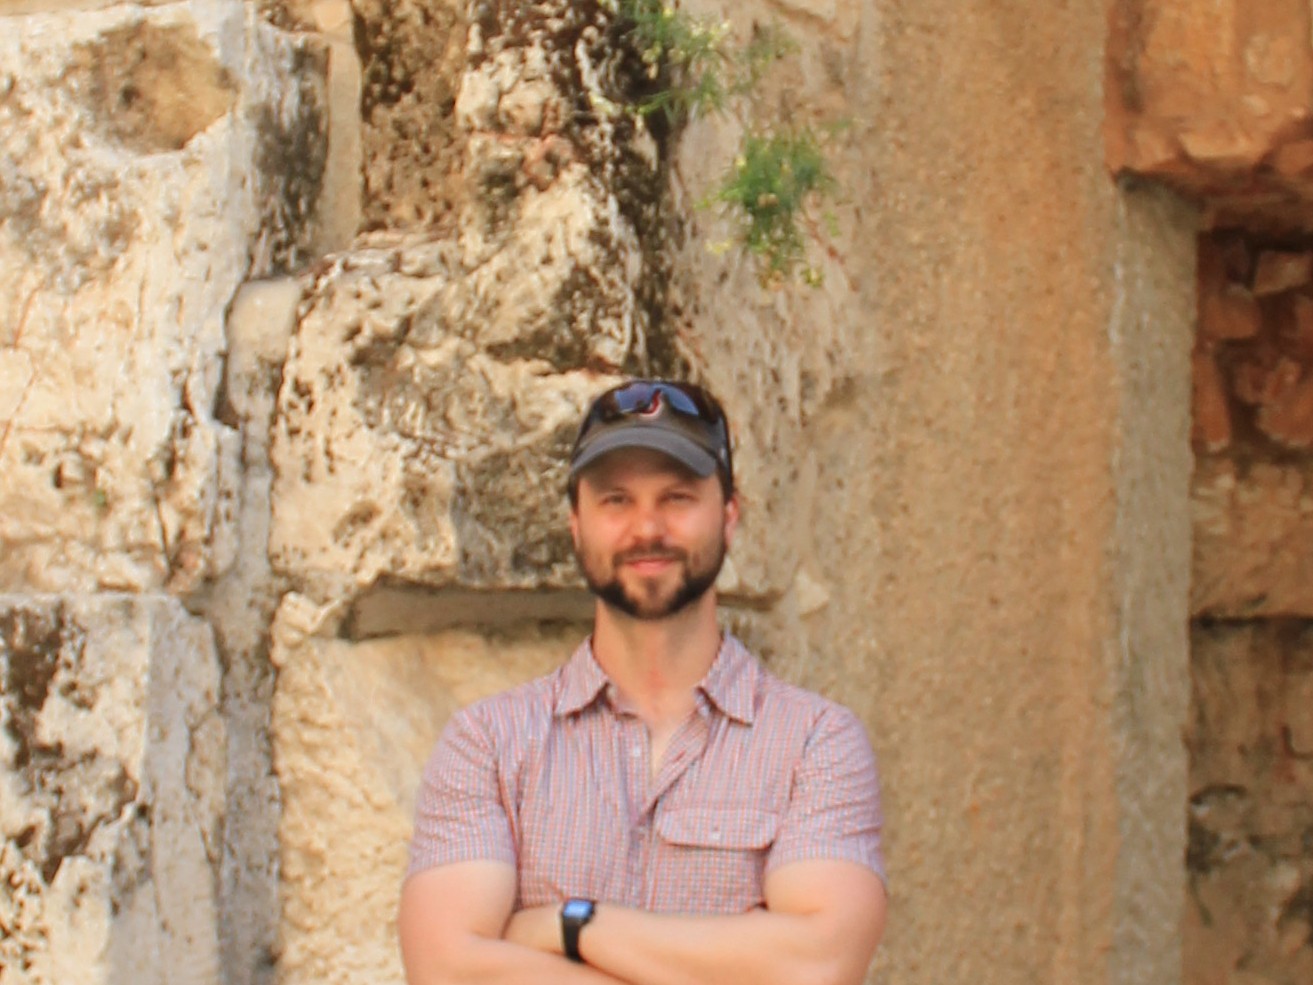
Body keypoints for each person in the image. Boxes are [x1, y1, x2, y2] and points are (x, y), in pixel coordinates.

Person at [399, 379, 887, 985]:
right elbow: (447, 970)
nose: (647, 528)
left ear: (729, 515)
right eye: (616, 500)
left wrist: (572, 927)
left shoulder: (815, 743)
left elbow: (817, 966)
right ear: (576, 523)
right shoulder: (489, 744)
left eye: (677, 497)